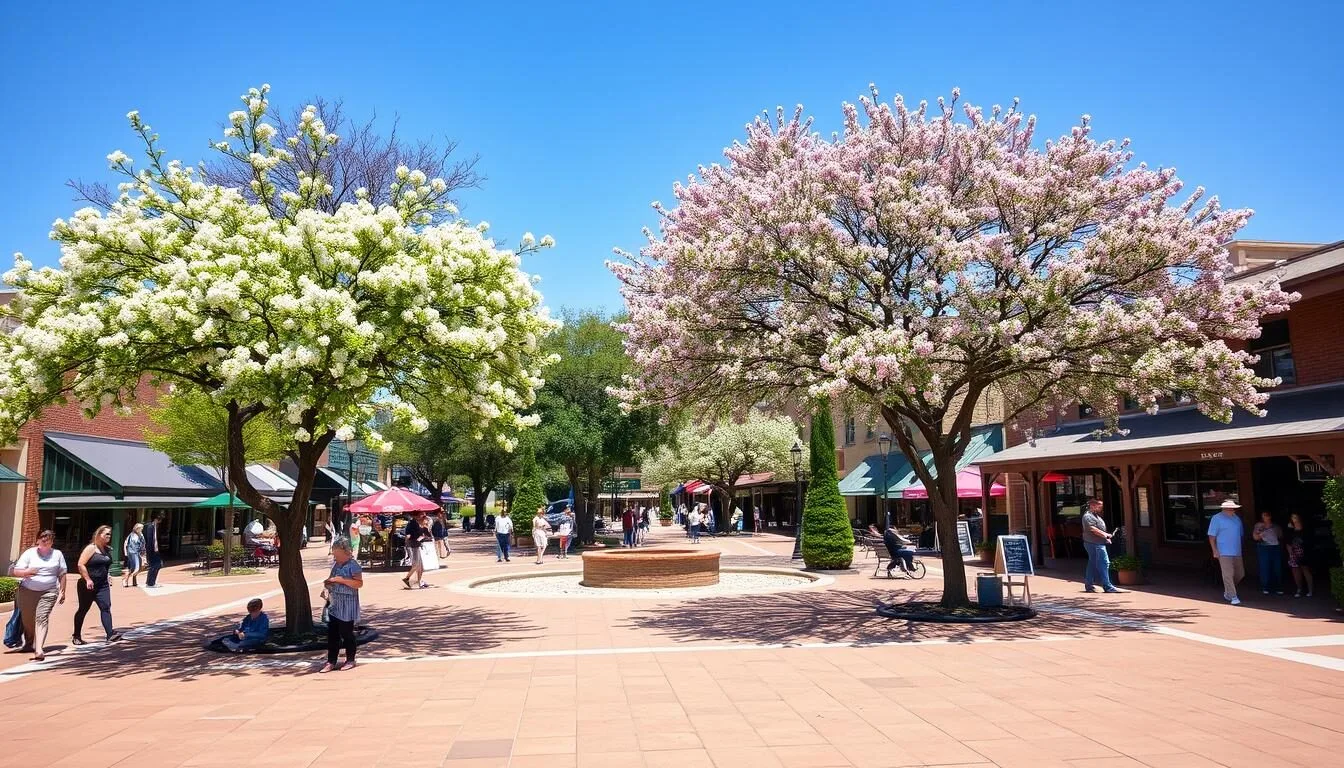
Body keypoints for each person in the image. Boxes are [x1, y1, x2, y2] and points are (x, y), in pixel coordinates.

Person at [7, 530, 67, 661]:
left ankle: (39, 649)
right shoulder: (29, 553)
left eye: (49, 539)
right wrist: (26, 572)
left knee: (42, 617)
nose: (46, 541)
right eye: (43, 539)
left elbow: (62, 573)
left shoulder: (57, 554)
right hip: (27, 591)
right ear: (38, 540)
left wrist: (62, 590)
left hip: (49, 591)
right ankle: (29, 642)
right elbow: (14, 571)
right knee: (28, 620)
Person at [73, 525, 123, 645]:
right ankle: (77, 636)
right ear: (99, 535)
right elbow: (81, 564)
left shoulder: (106, 549)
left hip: (102, 585)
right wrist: (88, 579)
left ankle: (110, 634)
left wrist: (109, 575)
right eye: (106, 534)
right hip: (88, 585)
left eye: (110, 534)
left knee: (105, 607)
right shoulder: (91, 548)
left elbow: (106, 566)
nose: (109, 536)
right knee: (83, 609)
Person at [320, 538, 363, 673]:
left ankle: (350, 659)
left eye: (337, 555)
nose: (335, 557)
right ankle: (331, 660)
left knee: (346, 632)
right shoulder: (336, 565)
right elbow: (331, 579)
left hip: (348, 603)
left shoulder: (353, 565)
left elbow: (358, 583)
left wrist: (341, 580)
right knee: (332, 633)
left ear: (345, 553)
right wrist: (328, 584)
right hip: (335, 602)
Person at [1209, 499, 1246, 605]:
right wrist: (1214, 550)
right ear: (1224, 509)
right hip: (1223, 551)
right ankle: (1233, 596)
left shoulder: (1237, 519)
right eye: (1230, 509)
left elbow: (1241, 535)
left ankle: (1228, 591)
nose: (1232, 511)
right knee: (1228, 574)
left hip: (1237, 551)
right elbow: (1211, 536)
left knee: (1240, 573)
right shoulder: (1216, 519)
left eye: (1233, 509)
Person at [1080, 499, 1121, 594]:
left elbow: (1097, 529)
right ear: (1092, 505)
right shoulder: (1088, 516)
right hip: (1094, 544)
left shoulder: (1095, 516)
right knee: (1104, 563)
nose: (1100, 508)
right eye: (1099, 506)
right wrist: (1105, 535)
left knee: (1092, 564)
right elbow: (1093, 529)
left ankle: (1089, 585)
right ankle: (1107, 586)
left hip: (1098, 542)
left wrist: (1105, 538)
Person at [1252, 511, 1284, 596]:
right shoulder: (1258, 525)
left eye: (1267, 515)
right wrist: (1261, 534)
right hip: (1263, 547)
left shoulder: (1276, 526)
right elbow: (1255, 537)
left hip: (1275, 547)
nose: (1266, 517)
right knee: (1265, 566)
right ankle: (1265, 587)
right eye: (1264, 516)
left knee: (1277, 567)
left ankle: (1278, 586)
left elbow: (1280, 536)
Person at [1285, 512, 1314, 598]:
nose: (1294, 519)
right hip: (1293, 552)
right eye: (1292, 517)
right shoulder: (1290, 529)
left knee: (1305, 570)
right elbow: (1287, 541)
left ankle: (1310, 590)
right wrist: (1289, 550)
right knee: (1295, 571)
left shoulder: (1305, 529)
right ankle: (1299, 589)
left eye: (1295, 517)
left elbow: (1309, 541)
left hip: (1304, 552)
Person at [402, 511, 431, 589]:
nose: (424, 517)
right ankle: (407, 578)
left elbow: (428, 535)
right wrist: (409, 538)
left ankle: (419, 582)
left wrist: (426, 527)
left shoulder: (421, 525)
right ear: (416, 516)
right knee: (415, 565)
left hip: (417, 546)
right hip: (413, 546)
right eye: (422, 515)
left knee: (421, 567)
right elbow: (409, 534)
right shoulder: (412, 523)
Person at [122, 522, 145, 588]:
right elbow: (126, 544)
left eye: (142, 528)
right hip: (132, 553)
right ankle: (125, 580)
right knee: (133, 568)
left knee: (139, 567)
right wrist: (126, 553)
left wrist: (143, 553)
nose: (141, 529)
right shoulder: (131, 535)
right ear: (137, 528)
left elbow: (143, 544)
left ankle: (134, 580)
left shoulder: (141, 535)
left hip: (139, 553)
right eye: (141, 528)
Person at [144, 512, 164, 587]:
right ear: (156, 519)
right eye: (159, 519)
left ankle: (150, 582)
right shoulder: (150, 527)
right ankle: (150, 583)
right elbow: (150, 539)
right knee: (155, 565)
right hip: (152, 550)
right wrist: (149, 551)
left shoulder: (155, 526)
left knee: (158, 565)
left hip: (156, 550)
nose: (160, 521)